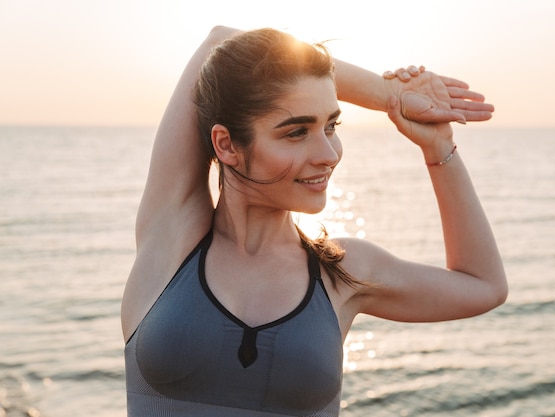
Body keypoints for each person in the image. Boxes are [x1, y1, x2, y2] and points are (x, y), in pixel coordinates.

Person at [121, 25, 507, 417]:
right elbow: (219, 41)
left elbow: (483, 286)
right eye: (296, 132)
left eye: (331, 126)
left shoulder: (342, 273)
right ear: (226, 145)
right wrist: (386, 93)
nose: (329, 154)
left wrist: (438, 147)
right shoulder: (172, 238)